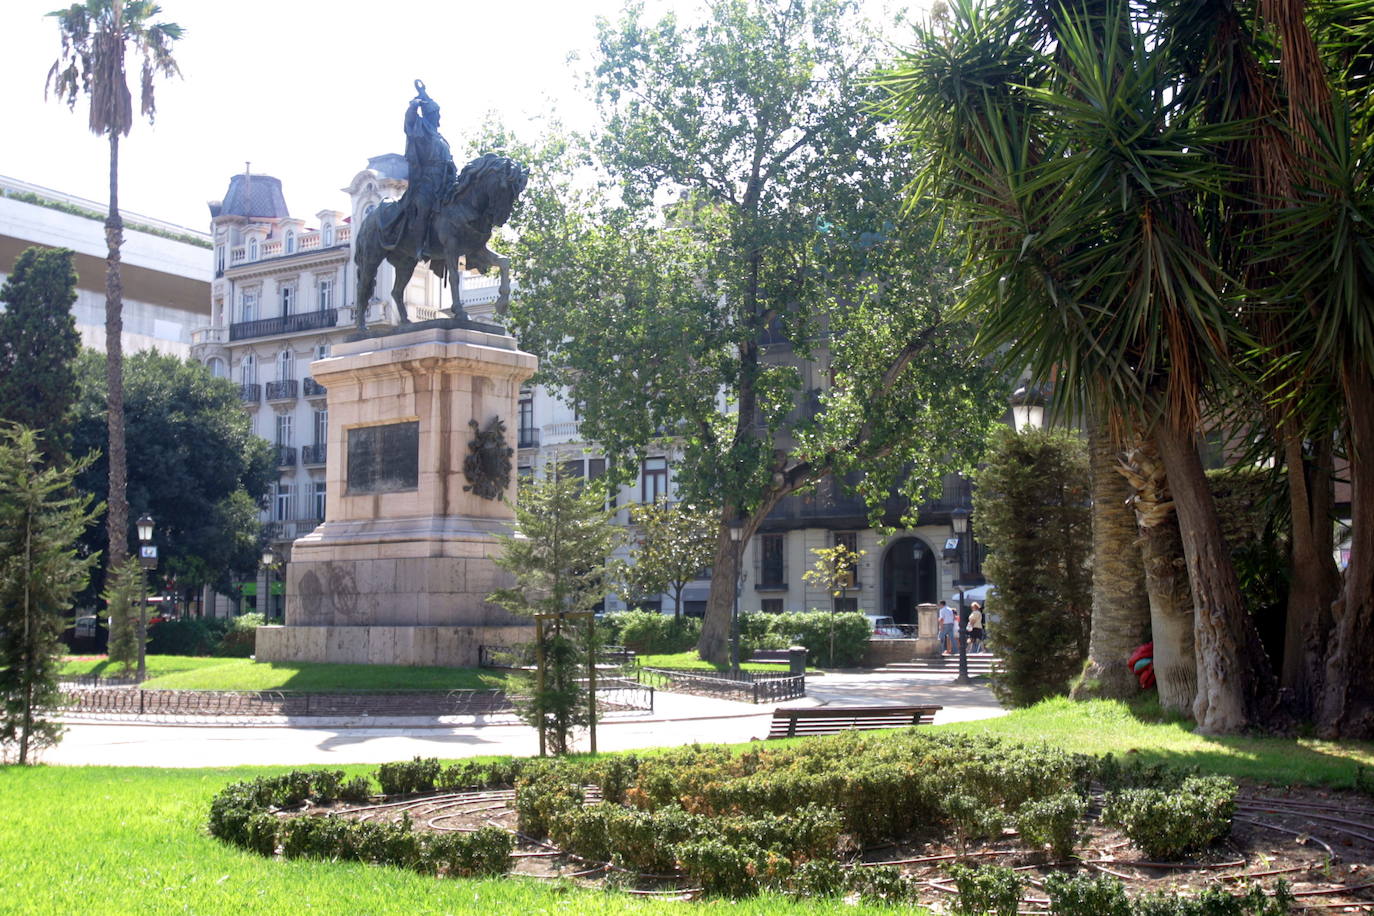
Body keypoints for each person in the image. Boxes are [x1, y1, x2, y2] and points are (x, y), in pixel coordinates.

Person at [377, 79, 457, 259]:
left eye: (438, 113)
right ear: (430, 115)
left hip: (445, 180)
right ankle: (419, 247)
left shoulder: (439, 136)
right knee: (424, 207)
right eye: (436, 113)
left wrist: (424, 93)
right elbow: (409, 123)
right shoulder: (421, 130)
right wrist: (413, 107)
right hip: (426, 181)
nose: (439, 116)